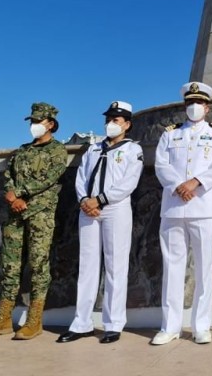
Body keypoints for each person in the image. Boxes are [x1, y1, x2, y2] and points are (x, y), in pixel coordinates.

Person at [0, 102, 67, 340]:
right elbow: (9, 175)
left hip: (39, 215)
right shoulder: (22, 151)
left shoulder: (57, 151)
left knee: (38, 266)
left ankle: (35, 321)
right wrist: (11, 194)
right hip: (16, 214)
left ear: (51, 124)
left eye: (38, 121)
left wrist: (20, 194)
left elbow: (49, 178)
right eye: (32, 121)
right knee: (10, 267)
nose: (34, 125)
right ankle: (3, 318)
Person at [151, 82, 212, 346]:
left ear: (207, 107)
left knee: (204, 268)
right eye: (189, 103)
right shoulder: (170, 134)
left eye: (198, 103)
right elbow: (161, 164)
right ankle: (170, 326)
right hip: (173, 206)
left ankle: (201, 326)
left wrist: (194, 182)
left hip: (203, 207)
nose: (193, 107)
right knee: (172, 268)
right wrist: (178, 186)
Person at [58, 101, 144, 344]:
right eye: (108, 120)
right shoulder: (93, 149)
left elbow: (129, 183)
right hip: (88, 210)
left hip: (115, 209)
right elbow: (81, 177)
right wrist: (85, 200)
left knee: (115, 266)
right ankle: (81, 323)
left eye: (116, 120)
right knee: (87, 267)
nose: (110, 124)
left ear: (127, 124)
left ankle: (113, 324)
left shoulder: (132, 150)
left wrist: (101, 200)